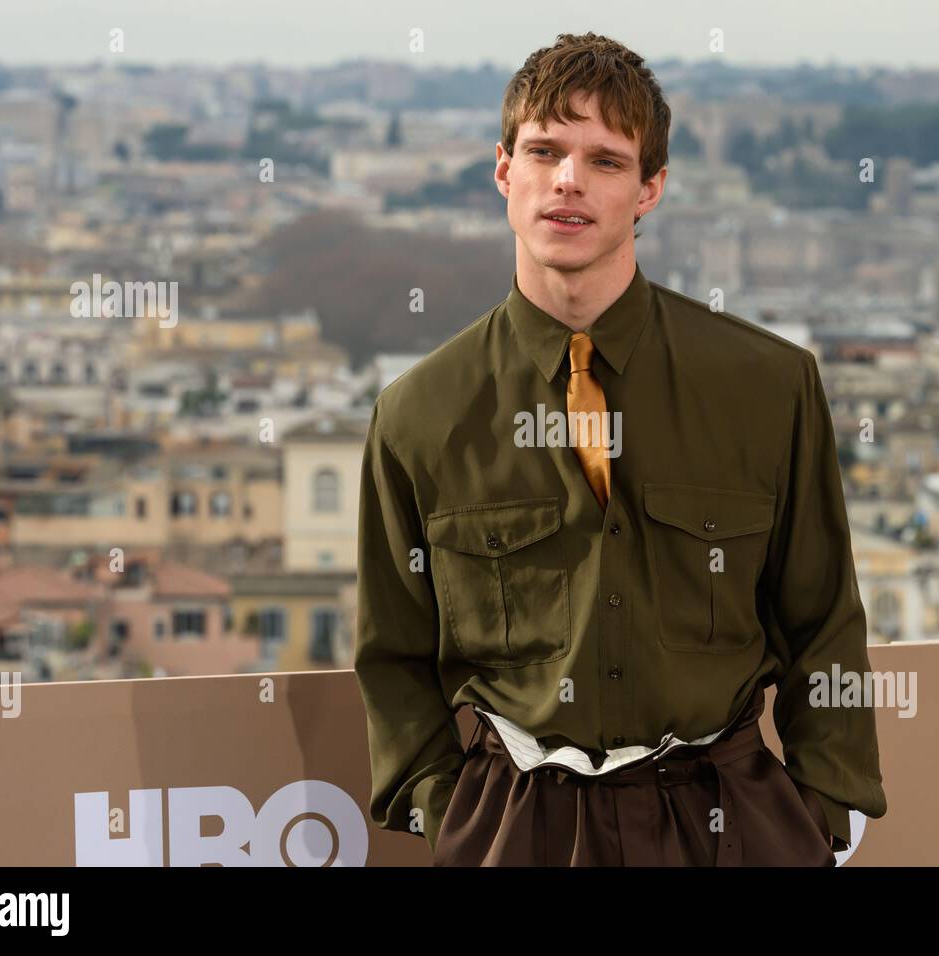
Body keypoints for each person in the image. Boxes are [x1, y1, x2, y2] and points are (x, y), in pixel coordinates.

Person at [353, 31, 887, 865]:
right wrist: (452, 813)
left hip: (730, 821)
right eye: (545, 151)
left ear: (650, 189)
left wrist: (819, 813)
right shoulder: (418, 415)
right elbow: (392, 653)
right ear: (503, 171)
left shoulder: (768, 385)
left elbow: (823, 621)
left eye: (605, 160)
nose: (568, 180)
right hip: (517, 825)